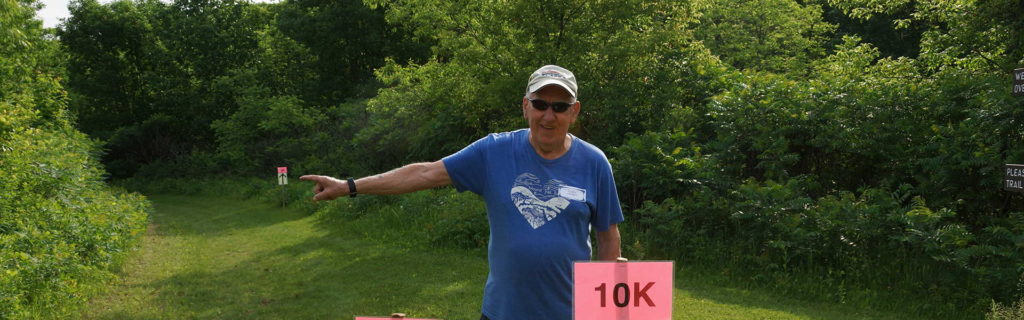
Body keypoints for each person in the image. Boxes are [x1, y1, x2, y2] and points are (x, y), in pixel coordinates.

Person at [300, 65, 624, 320]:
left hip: (570, 314)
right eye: (540, 104)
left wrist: (606, 306)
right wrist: (349, 186)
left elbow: (608, 237)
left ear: (574, 111)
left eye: (560, 106)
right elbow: (424, 173)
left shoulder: (594, 162)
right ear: (525, 107)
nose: (548, 115)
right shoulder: (493, 151)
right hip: (502, 313)